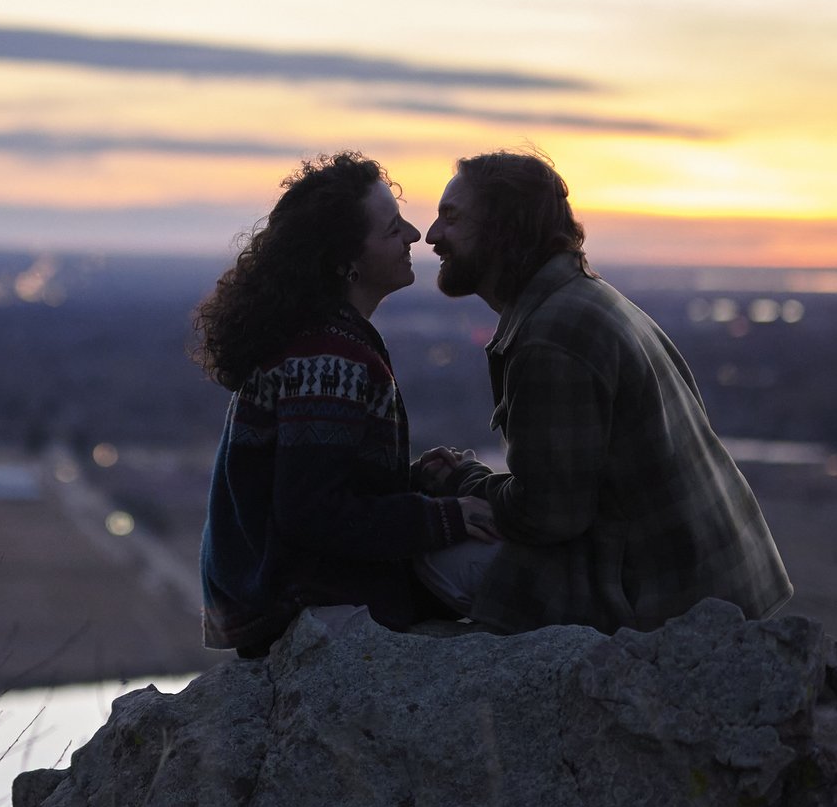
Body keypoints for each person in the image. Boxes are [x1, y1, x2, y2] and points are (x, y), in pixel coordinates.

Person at [415, 149, 792, 634]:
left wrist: (461, 484)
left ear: (501, 230)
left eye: (451, 217)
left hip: (667, 601)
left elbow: (547, 516)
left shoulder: (552, 334)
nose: (432, 236)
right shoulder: (583, 298)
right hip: (711, 578)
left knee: (434, 555)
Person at [194, 152, 502, 657]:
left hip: (273, 589)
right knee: (514, 567)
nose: (413, 235)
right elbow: (312, 514)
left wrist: (412, 481)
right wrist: (442, 518)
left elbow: (320, 487)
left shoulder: (318, 337)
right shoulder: (328, 358)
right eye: (391, 229)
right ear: (347, 263)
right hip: (290, 601)